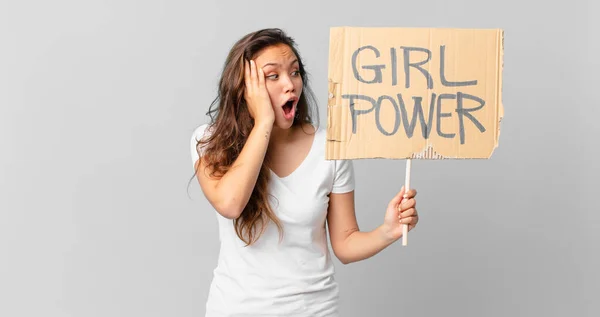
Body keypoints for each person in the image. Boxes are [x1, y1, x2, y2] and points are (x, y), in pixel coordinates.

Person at [190, 28, 419, 317]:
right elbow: (231, 203)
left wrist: (388, 231)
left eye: (295, 72)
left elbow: (346, 244)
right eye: (273, 76)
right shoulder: (209, 141)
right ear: (244, 89)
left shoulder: (330, 148)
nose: (290, 84)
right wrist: (263, 122)